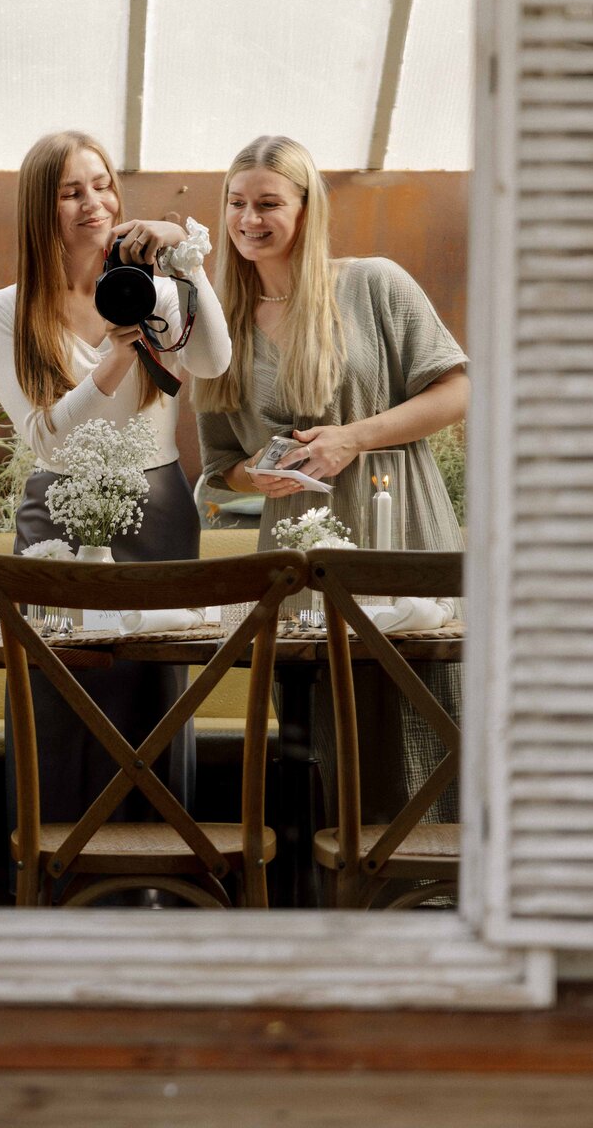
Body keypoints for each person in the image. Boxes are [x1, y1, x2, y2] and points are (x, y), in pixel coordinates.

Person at [194, 134, 469, 832]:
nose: (248, 219)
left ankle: (444, 882)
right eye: (235, 202)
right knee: (329, 733)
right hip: (298, 558)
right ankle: (343, 880)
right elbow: (220, 465)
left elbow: (457, 390)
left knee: (434, 712)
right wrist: (257, 476)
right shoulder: (218, 325)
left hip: (401, 525)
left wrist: (354, 436)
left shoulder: (374, 284)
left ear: (306, 207)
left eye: (268, 203)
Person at [0, 129, 231, 854]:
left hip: (160, 511)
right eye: (71, 192)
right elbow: (48, 441)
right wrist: (117, 357)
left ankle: (158, 882)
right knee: (59, 700)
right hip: (58, 515)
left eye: (102, 185)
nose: (95, 203)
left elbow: (215, 359)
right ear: (41, 208)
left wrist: (187, 259)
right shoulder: (5, 309)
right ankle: (57, 871)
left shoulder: (156, 287)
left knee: (158, 703)